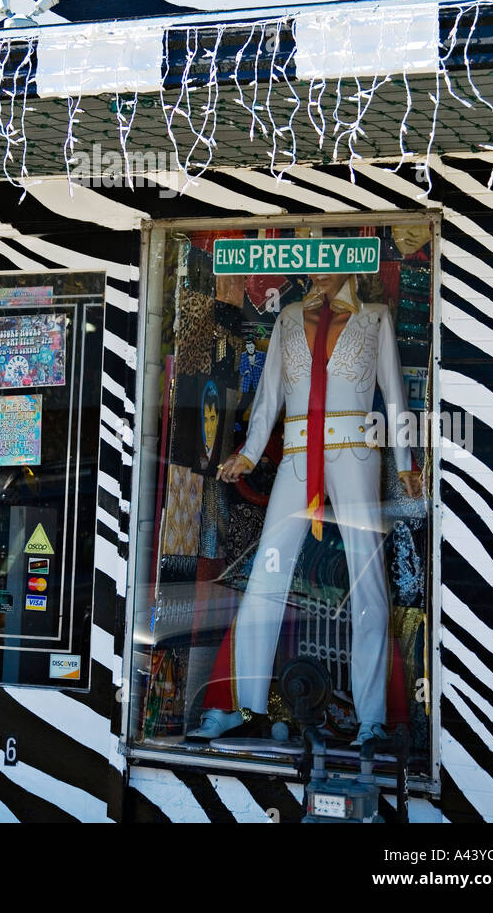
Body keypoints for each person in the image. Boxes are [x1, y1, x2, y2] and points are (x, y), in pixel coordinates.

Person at [189, 270, 422, 745]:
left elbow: (394, 394)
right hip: (297, 455)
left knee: (368, 581)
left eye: (327, 248)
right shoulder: (289, 319)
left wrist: (404, 462)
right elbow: (270, 393)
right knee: (266, 577)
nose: (317, 260)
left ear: (351, 261)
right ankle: (239, 704)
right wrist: (251, 453)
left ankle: (372, 717)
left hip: (355, 451)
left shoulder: (375, 318)